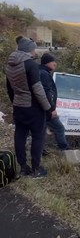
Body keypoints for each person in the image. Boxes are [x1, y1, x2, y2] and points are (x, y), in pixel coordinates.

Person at [5, 36, 54, 178]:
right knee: (38, 137)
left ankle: (23, 167)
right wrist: (48, 107)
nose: (34, 52)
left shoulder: (10, 64)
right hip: (32, 107)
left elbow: (9, 89)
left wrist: (15, 102)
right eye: (33, 49)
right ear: (28, 50)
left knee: (19, 135)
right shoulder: (30, 64)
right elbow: (38, 89)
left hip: (18, 106)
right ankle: (36, 169)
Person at [39, 53, 70, 151]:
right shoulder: (44, 74)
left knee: (41, 130)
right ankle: (64, 148)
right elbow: (46, 93)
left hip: (42, 107)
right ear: (47, 62)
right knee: (59, 128)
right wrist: (51, 109)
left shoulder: (42, 72)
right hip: (46, 108)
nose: (55, 64)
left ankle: (40, 150)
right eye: (53, 61)